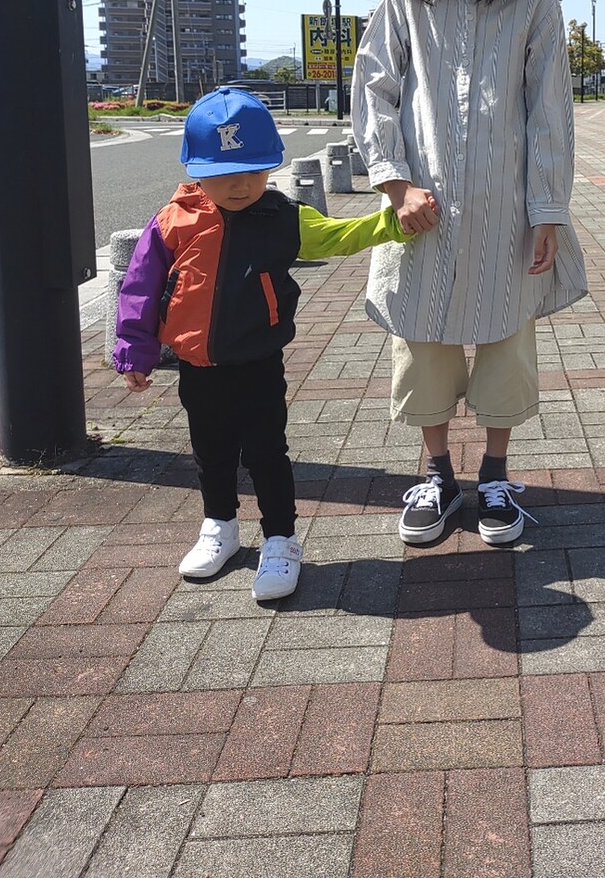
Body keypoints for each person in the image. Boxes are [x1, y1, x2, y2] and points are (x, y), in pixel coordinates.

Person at [351, 0, 588, 547]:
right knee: (421, 342)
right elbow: (374, 90)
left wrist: (547, 209)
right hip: (419, 209)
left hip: (506, 209)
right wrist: (393, 183)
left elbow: (549, 109)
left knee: (506, 340)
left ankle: (493, 472)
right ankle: (435, 471)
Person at [113, 86, 422, 600]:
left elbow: (338, 236)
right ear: (197, 172)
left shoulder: (282, 217)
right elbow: (139, 288)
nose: (240, 186)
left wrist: (395, 222)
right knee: (210, 453)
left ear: (270, 169)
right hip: (198, 365)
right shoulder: (173, 221)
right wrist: (135, 351)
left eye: (253, 172)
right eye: (223, 174)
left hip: (258, 362)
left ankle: (281, 540)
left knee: (266, 453)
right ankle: (220, 527)